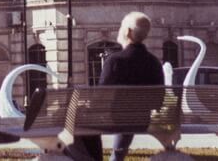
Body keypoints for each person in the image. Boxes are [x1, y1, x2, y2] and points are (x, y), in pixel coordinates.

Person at [70, 12, 165, 161]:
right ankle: (116, 158)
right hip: (143, 121)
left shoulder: (115, 61)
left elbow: (100, 101)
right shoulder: (154, 63)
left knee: (75, 118)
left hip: (115, 120)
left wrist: (85, 104)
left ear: (127, 31)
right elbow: (159, 102)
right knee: (126, 115)